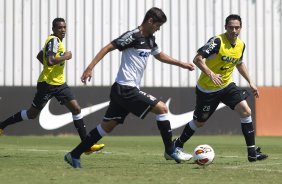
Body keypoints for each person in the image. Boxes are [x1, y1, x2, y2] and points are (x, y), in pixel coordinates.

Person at [64, 7, 195, 168]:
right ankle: (170, 150)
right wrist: (90, 68)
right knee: (162, 109)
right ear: (150, 21)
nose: (158, 29)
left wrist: (181, 63)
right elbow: (108, 47)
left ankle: (74, 154)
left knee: (107, 127)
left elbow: (159, 55)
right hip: (126, 89)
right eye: (157, 25)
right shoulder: (133, 36)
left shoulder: (150, 39)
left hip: (123, 90)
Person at [0, 18, 104, 154]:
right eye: (60, 28)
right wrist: (66, 56)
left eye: (64, 27)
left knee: (76, 109)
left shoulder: (54, 41)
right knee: (32, 114)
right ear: (54, 29)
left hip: (60, 83)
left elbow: (39, 56)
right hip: (47, 84)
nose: (63, 30)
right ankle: (2, 126)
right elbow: (49, 61)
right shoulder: (53, 40)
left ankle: (86, 146)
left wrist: (52, 66)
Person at [173, 14, 268, 162]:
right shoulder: (217, 41)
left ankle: (252, 153)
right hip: (207, 89)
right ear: (226, 27)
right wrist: (210, 74)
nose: (234, 30)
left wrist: (251, 81)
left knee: (246, 110)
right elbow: (197, 59)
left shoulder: (241, 45)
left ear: (241, 28)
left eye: (237, 27)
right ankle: (177, 145)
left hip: (226, 86)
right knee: (199, 122)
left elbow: (239, 63)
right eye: (231, 27)